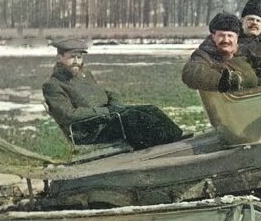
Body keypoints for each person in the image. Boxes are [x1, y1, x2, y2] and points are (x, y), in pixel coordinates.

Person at [43, 38, 183, 150]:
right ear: (59, 57)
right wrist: (105, 110)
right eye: (71, 57)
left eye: (79, 57)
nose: (76, 62)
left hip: (105, 120)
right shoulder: (53, 85)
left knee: (149, 109)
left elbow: (104, 93)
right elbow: (68, 115)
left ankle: (177, 139)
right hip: (89, 130)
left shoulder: (84, 75)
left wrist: (115, 103)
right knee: (134, 117)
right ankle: (166, 148)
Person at [181, 12, 258, 92]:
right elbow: (193, 73)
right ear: (213, 37)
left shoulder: (246, 53)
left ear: (236, 37)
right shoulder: (204, 55)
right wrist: (223, 82)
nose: (225, 40)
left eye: (230, 36)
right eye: (221, 35)